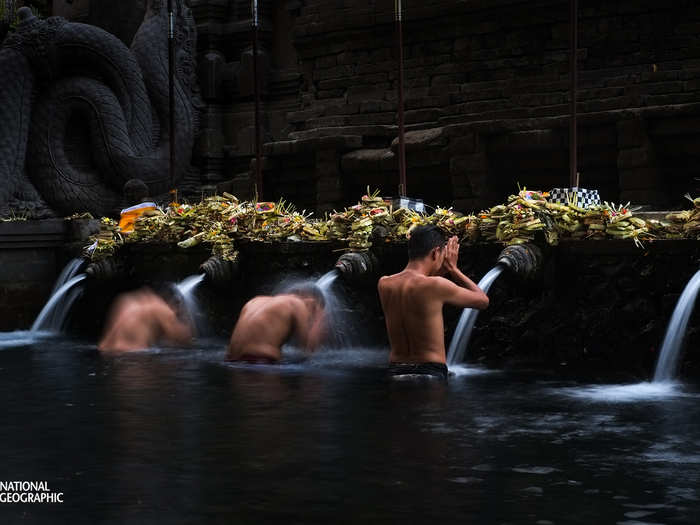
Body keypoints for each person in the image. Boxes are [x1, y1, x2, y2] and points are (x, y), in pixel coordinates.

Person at [377, 225, 489, 380]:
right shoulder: (436, 285)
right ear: (436, 253)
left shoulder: (384, 283)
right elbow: (482, 301)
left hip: (396, 371)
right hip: (429, 371)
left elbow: (419, 286)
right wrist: (453, 269)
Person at [226, 284, 326, 364]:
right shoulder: (297, 304)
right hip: (260, 363)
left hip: (231, 361)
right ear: (311, 302)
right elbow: (307, 350)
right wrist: (317, 317)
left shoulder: (256, 300)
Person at [98, 288, 193, 354]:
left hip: (107, 352)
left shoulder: (127, 300)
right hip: (132, 357)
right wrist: (186, 317)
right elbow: (183, 338)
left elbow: (104, 343)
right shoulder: (158, 306)